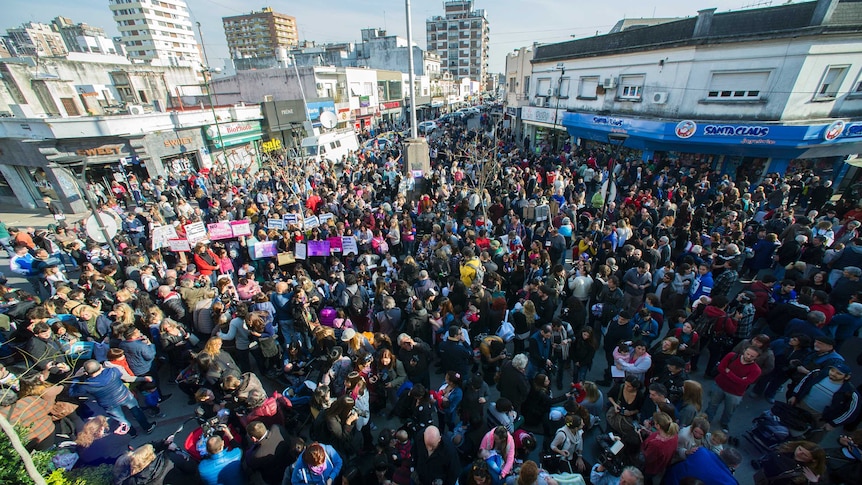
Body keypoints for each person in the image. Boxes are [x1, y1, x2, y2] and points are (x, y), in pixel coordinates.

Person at [69, 359, 155, 436]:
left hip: (109, 404)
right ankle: (147, 427)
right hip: (125, 396)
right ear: (100, 366)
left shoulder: (86, 385)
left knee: (121, 420)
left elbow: (72, 393)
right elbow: (123, 376)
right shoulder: (113, 371)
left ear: (86, 373)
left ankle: (131, 433)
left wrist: (76, 378)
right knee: (137, 411)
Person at [705, 347, 762, 432]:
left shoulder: (756, 370)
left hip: (735, 393)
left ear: (756, 358)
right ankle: (706, 420)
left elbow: (744, 383)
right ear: (744, 351)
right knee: (712, 404)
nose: (749, 357)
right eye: (748, 353)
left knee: (729, 410)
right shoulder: (731, 356)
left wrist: (729, 372)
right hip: (719, 385)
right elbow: (720, 368)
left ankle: (724, 423)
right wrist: (738, 378)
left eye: (752, 356)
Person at [754, 441, 826, 485]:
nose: (798, 453)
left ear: (813, 460)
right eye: (800, 449)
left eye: (804, 454)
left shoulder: (811, 473)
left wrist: (813, 483)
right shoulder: (787, 448)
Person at [663, 447, 742, 485]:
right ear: (735, 466)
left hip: (669, 479)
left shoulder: (701, 451)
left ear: (721, 452)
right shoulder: (730, 482)